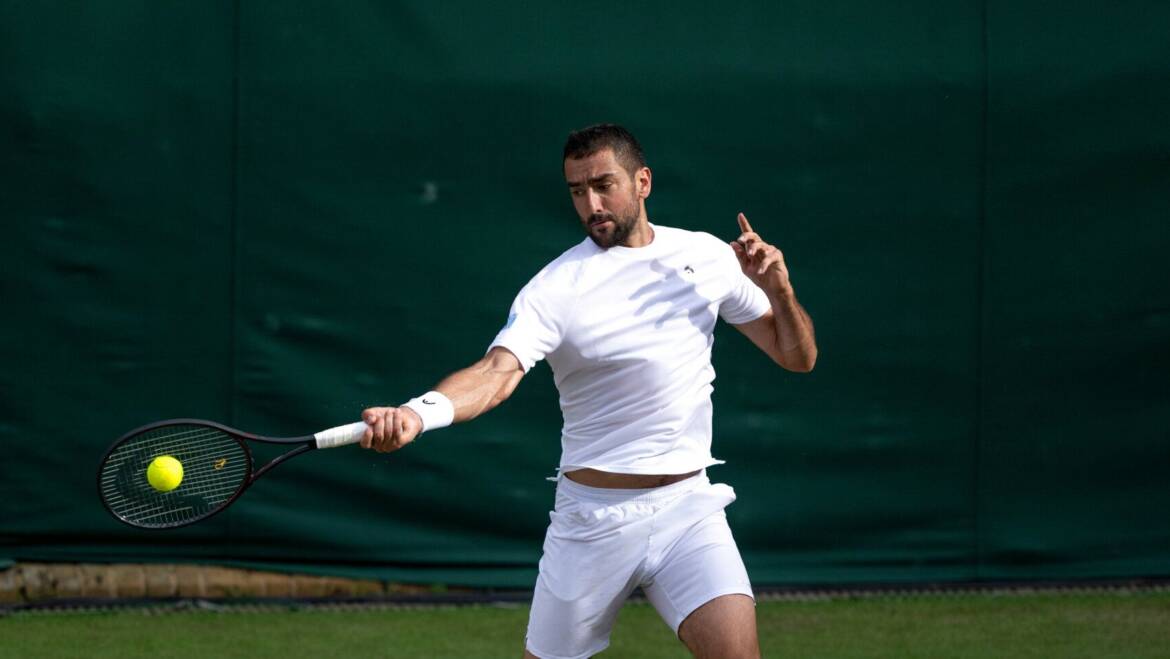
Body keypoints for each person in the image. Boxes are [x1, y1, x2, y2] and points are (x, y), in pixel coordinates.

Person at [359, 124, 817, 659]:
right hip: (593, 522)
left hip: (690, 508)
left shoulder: (707, 256)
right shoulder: (556, 288)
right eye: (577, 191)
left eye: (603, 185)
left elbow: (797, 356)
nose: (591, 205)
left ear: (642, 182)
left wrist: (780, 290)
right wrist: (419, 413)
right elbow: (496, 373)